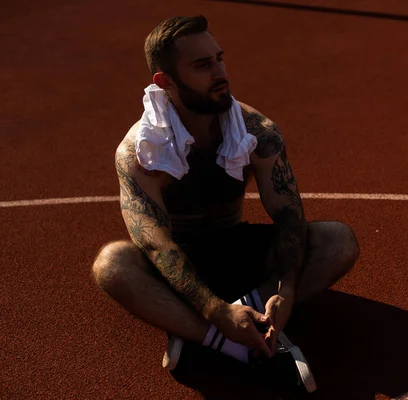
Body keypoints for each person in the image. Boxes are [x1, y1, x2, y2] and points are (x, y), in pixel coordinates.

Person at [91, 15, 359, 393]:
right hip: (179, 263)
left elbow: (288, 217)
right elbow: (157, 245)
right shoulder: (140, 152)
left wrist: (285, 290)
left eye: (219, 58)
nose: (220, 72)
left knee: (339, 241)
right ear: (164, 82)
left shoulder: (256, 132)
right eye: (202, 65)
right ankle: (233, 339)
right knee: (112, 265)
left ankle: (218, 325)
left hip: (237, 249)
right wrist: (216, 311)